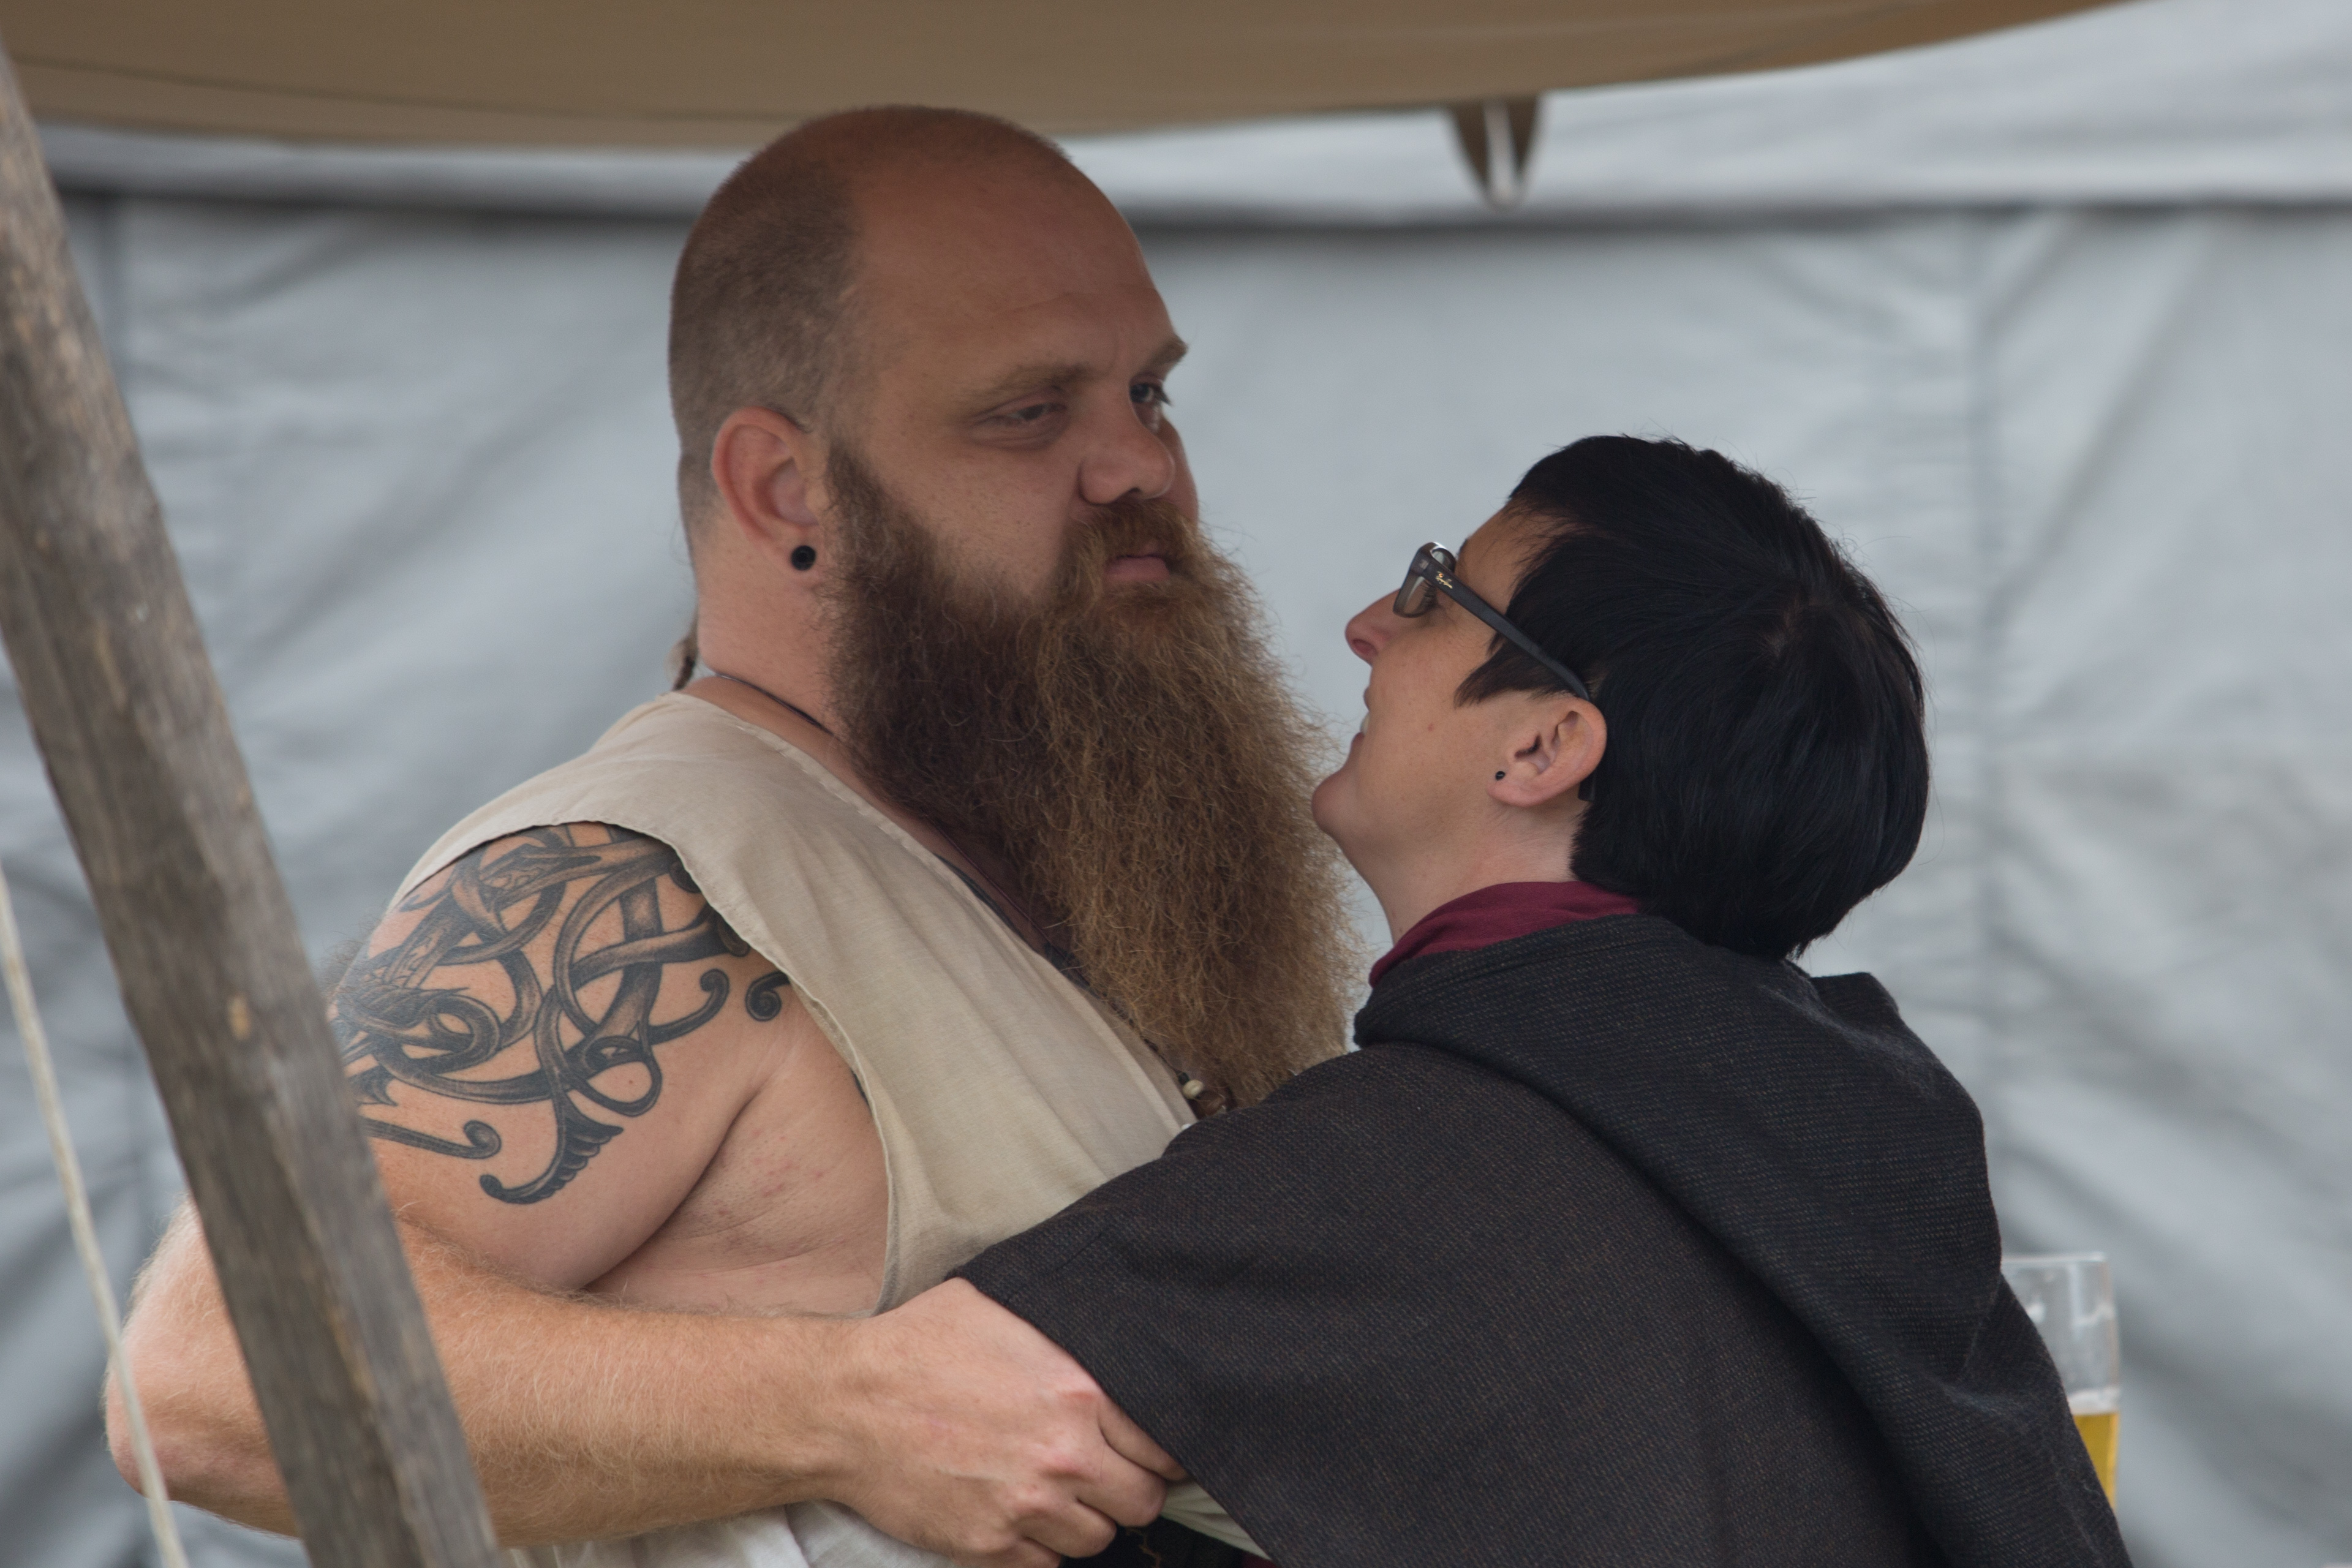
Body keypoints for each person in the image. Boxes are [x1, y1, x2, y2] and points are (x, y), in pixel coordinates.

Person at [111, 108, 1357, 1568]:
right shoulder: (631, 873)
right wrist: (854, 1406)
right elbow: (219, 1370)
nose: (1136, 463)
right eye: (1029, 411)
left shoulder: (1052, 843)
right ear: (786, 489)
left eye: (1148, 392)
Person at [927, 436, 2135, 1567]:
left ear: (1543, 747)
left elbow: (919, 1412)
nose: (1368, 626)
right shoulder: (1855, 1130)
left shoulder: (1391, 1172)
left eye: (1435, 594)